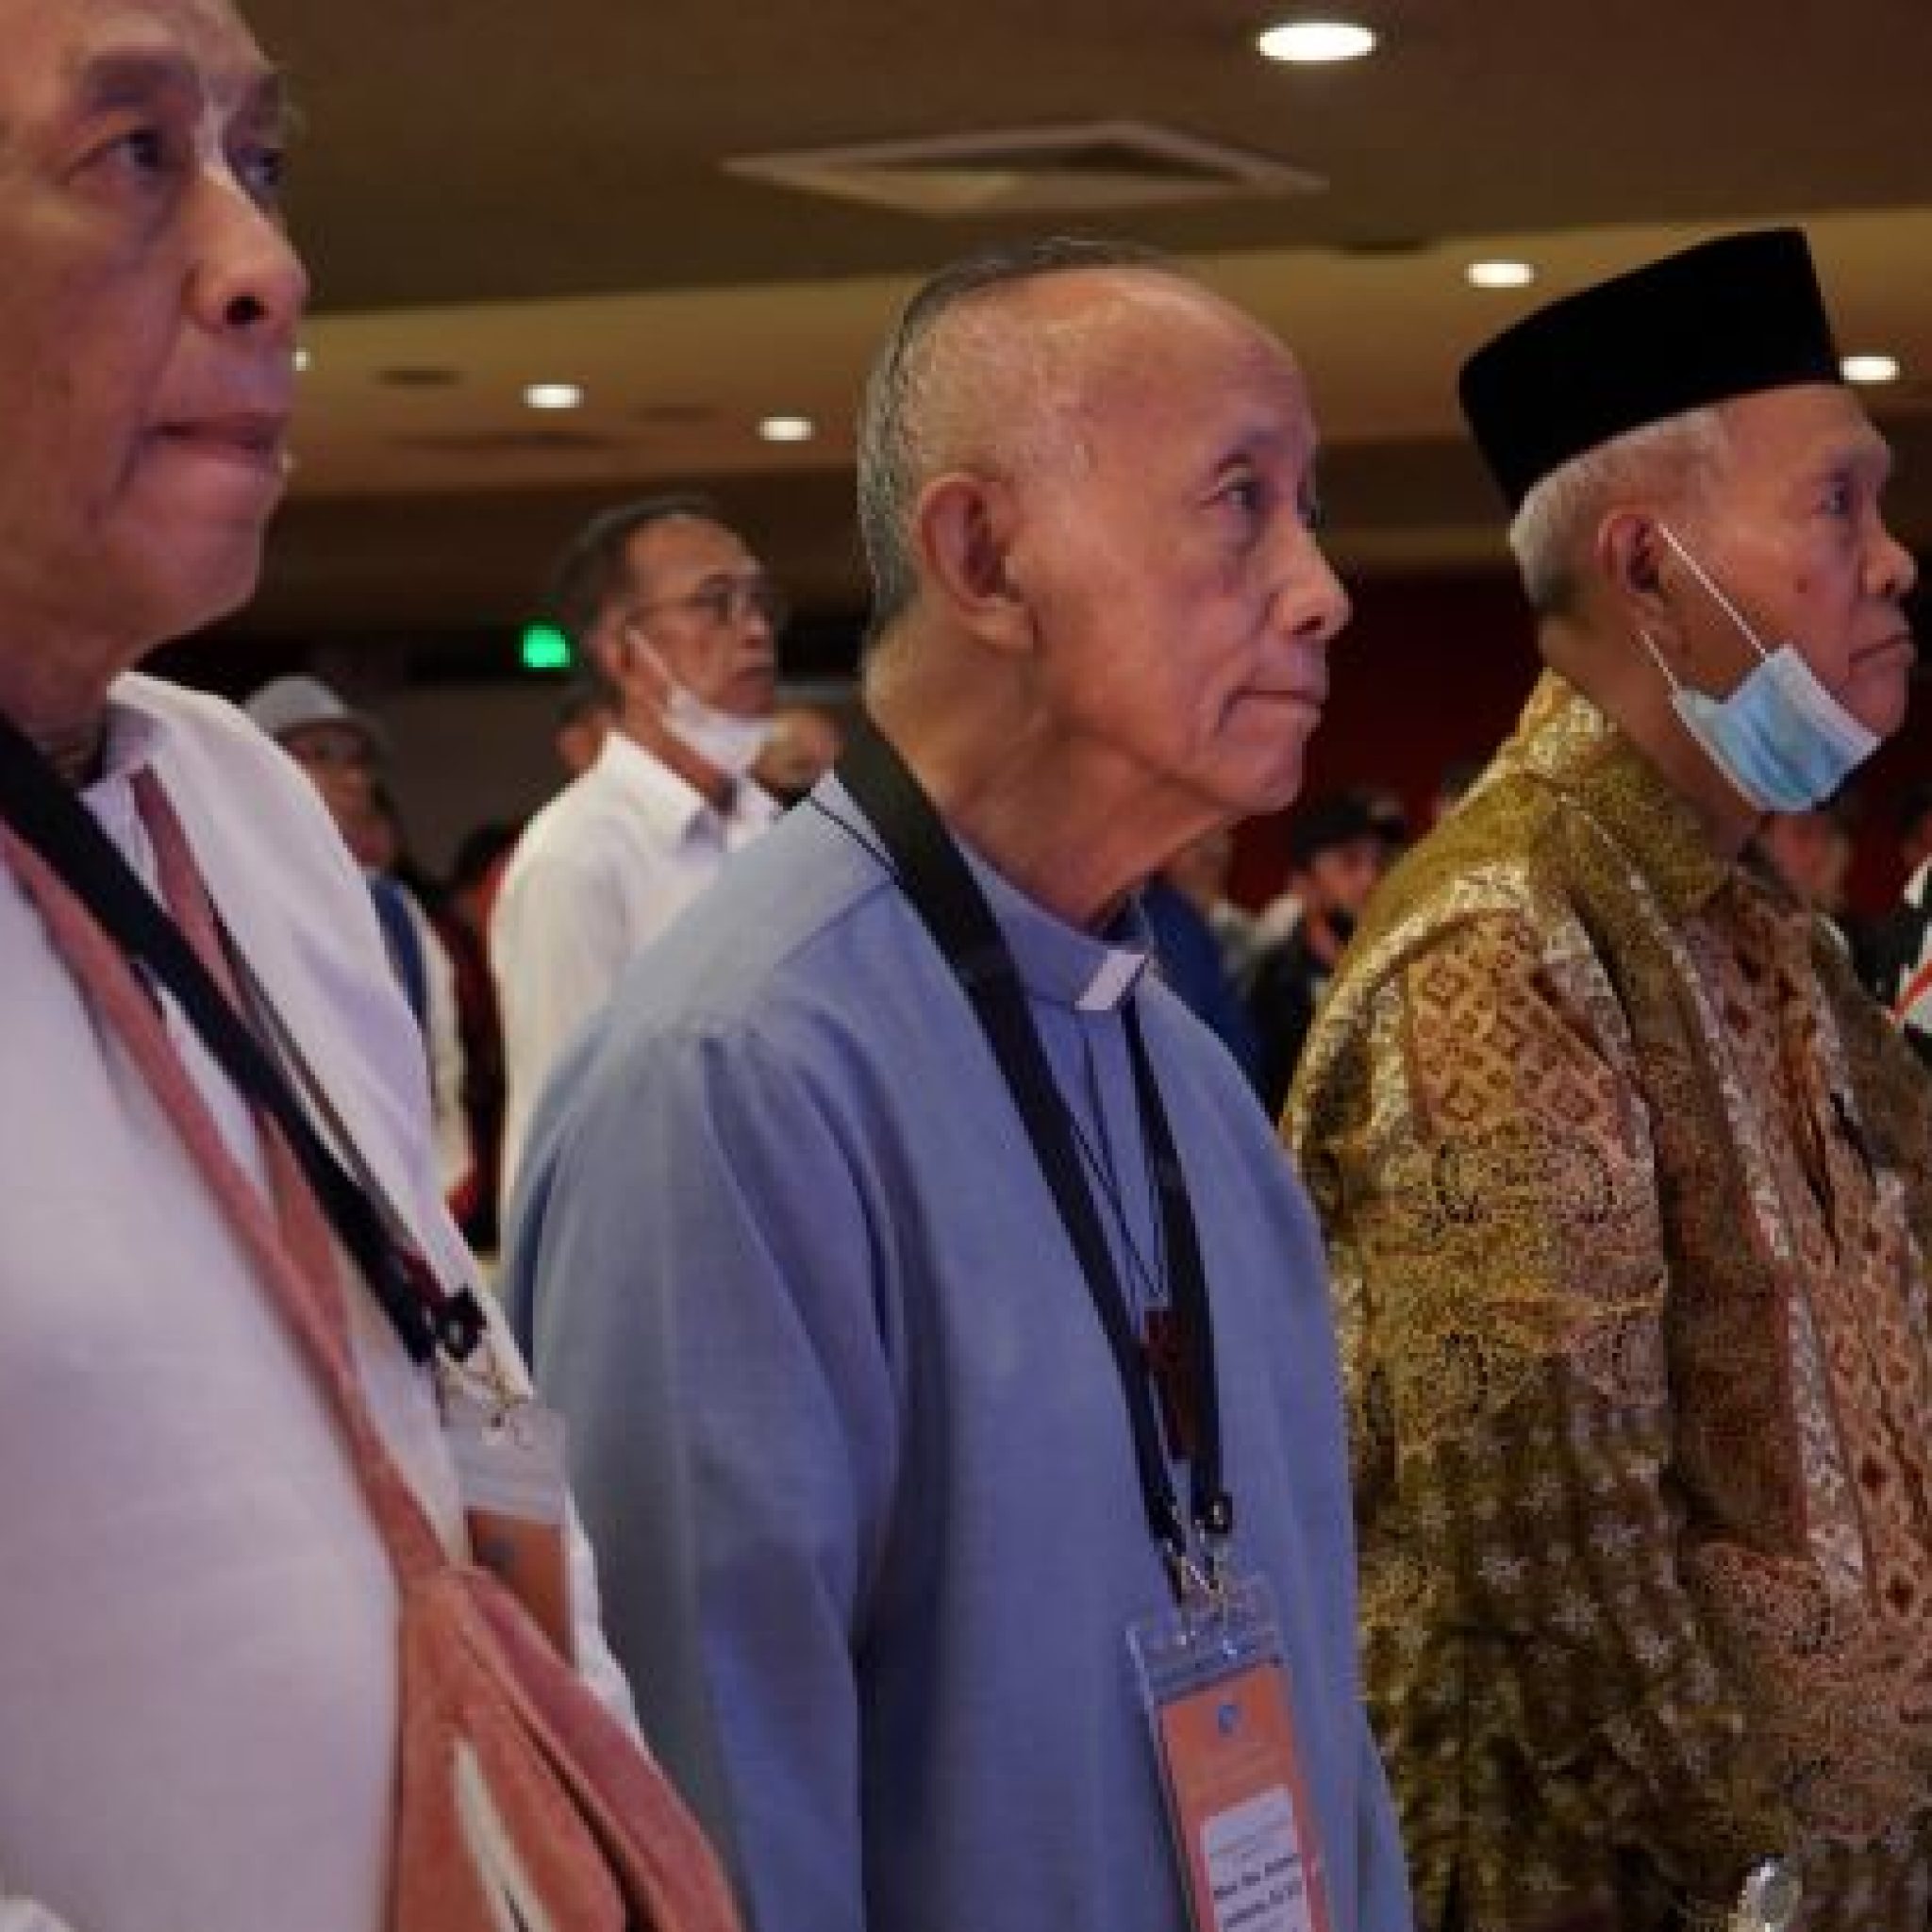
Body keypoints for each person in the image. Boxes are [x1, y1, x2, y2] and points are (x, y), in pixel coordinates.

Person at [505, 238, 1409, 1932]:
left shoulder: (1186, 1077)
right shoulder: (735, 1083)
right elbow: (716, 1824)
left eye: (1310, 510)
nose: (1318, 590)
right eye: (1239, 502)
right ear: (983, 556)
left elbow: (1320, 1700)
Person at [0, 2, 736, 1927]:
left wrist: (593, 1798)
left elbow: (454, 1386)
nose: (268, 262)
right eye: (134, 154)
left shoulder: (236, 798)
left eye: (259, 161)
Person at [1288, 229, 1924, 1930]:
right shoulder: (1505, 945)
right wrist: (1774, 1882)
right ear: (1649, 566)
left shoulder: (1758, 928)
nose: (1892, 561)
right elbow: (1545, 1570)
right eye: (1837, 504)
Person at [491, 494, 780, 1197]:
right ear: (621, 653)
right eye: (714, 603)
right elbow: (569, 1131)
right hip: (666, 1235)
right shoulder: (577, 856)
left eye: (760, 601)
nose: (755, 630)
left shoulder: (776, 830)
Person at [1244, 791, 1383, 1111]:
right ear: (1302, 884)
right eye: (1349, 862)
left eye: (1377, 862)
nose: (1370, 878)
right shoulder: (1277, 986)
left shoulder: (1400, 964)